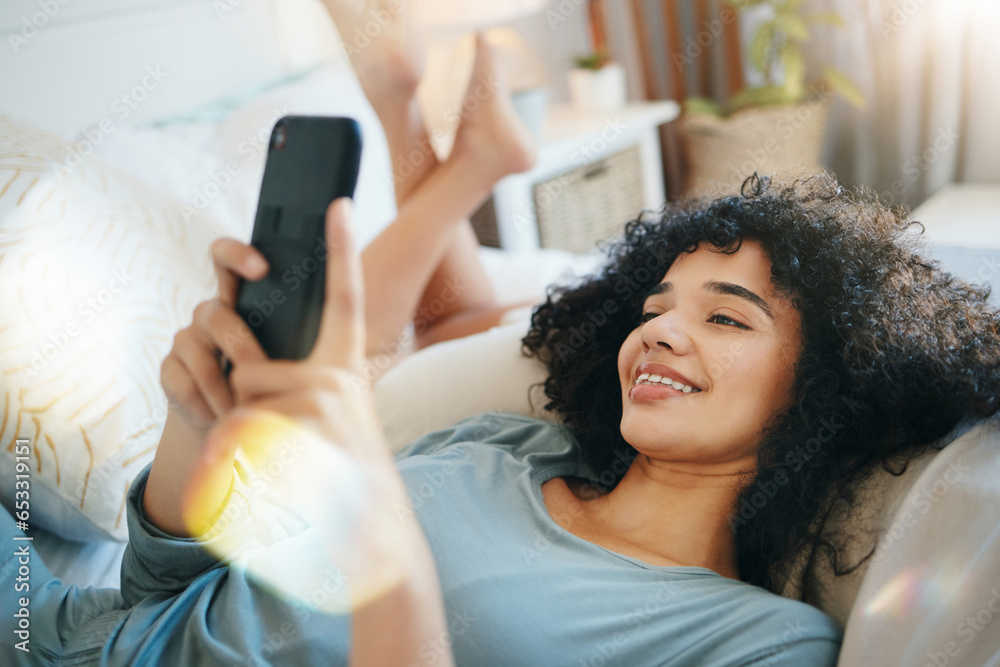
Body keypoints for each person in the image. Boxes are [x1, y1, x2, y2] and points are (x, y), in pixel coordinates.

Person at [5, 4, 1000, 667]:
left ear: (823, 387)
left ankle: (447, 147)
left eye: (724, 316)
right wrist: (195, 426)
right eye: (652, 307)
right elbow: (168, 589)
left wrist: (372, 525)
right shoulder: (511, 450)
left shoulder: (757, 641)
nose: (658, 334)